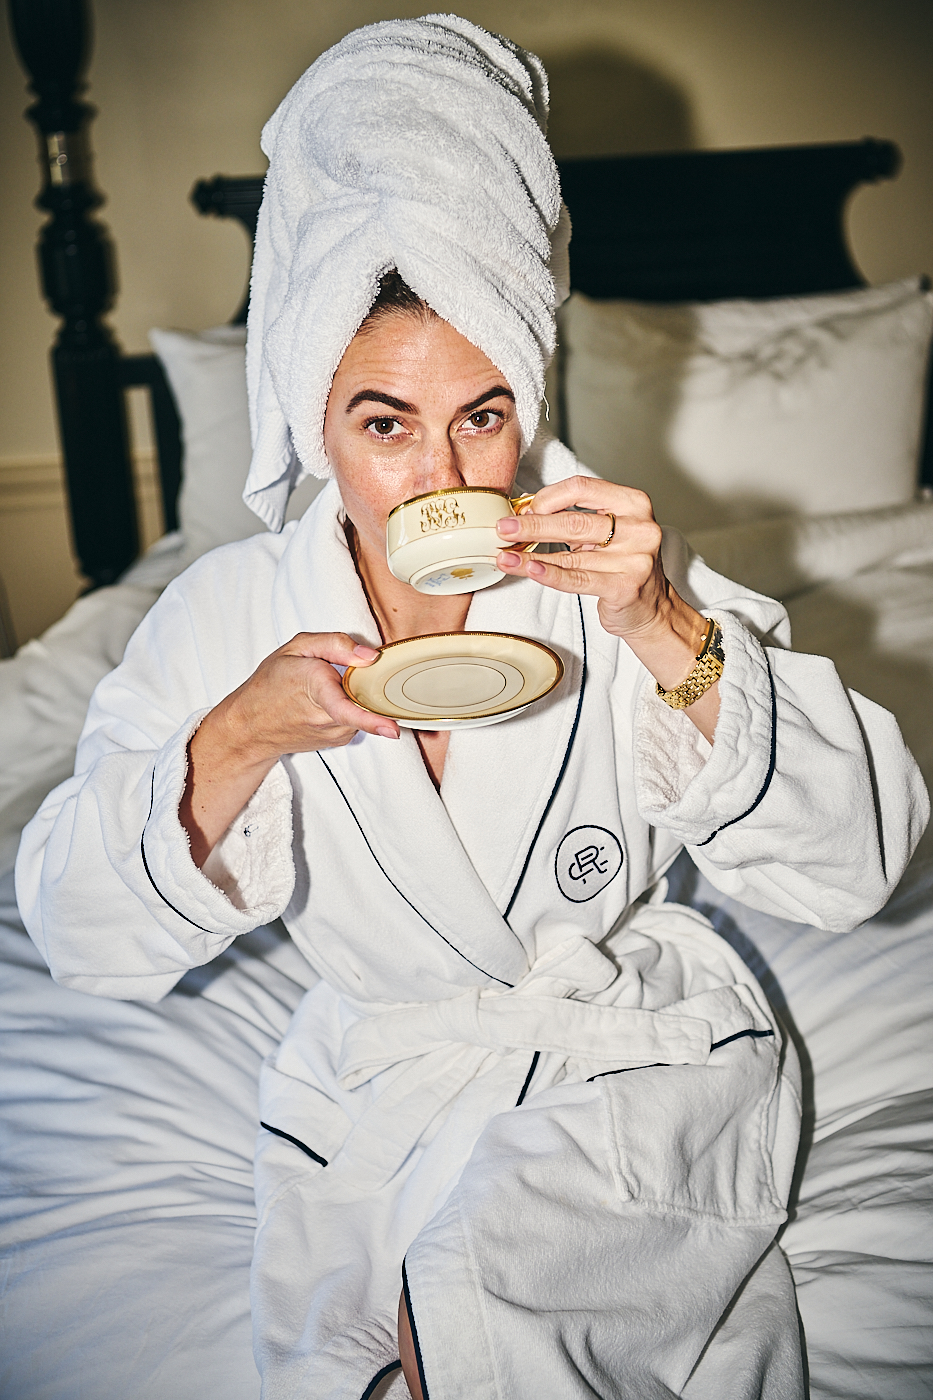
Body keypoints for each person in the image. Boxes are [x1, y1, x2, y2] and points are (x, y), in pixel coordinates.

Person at [16, 17, 927, 1400]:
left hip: (634, 1052)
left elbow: (857, 867)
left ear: (533, 392)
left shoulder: (616, 572)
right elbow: (80, 930)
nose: (441, 474)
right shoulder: (222, 622)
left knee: (496, 1305)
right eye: (384, 423)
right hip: (382, 1085)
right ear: (310, 415)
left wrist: (659, 622)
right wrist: (240, 738)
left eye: (484, 414)